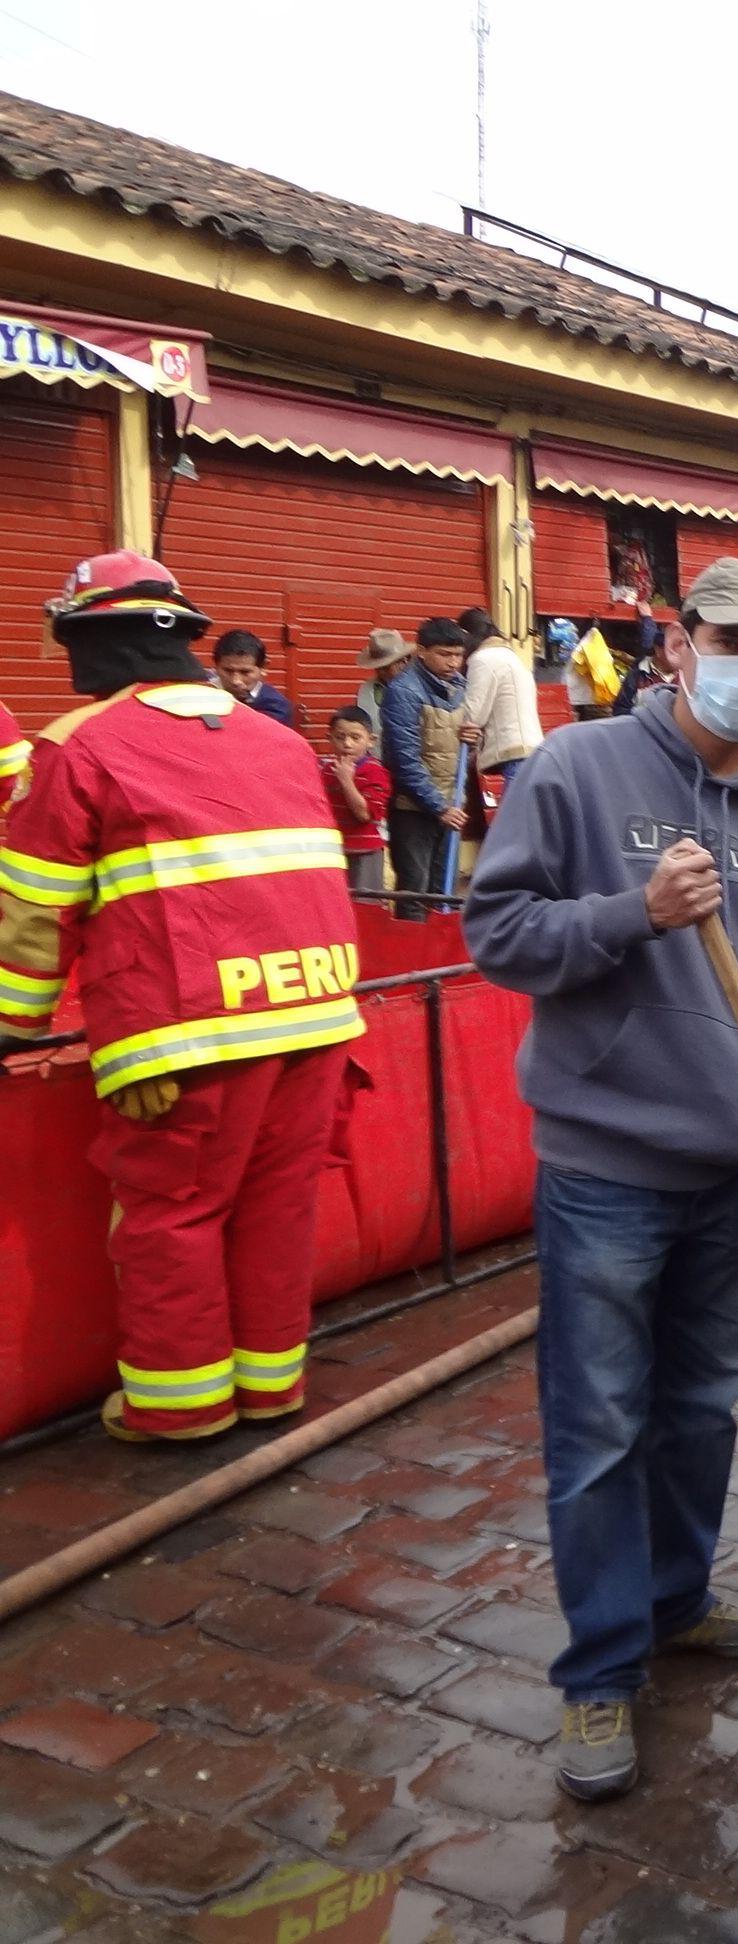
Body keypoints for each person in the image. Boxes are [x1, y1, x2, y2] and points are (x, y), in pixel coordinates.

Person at [463, 558, 738, 1804]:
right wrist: (632, 911)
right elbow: (498, 935)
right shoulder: (578, 771)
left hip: (737, 1173)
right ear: (681, 643)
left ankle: (677, 1600)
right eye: (734, 639)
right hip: (605, 1171)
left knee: (701, 1411)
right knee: (597, 1430)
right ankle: (600, 1670)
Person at [0, 551, 361, 1442]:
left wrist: (15, 1026)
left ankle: (179, 1406)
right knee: (278, 1210)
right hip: (317, 1016)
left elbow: (33, 910)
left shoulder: (80, 744)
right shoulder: (276, 739)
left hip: (184, 1034)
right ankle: (272, 1386)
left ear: (96, 644)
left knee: (172, 1217)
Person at [381, 619, 476, 916]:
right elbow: (404, 759)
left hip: (450, 805)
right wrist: (439, 807)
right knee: (415, 890)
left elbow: (453, 746)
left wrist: (472, 740)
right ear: (421, 651)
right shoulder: (404, 692)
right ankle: (411, 958)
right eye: (444, 654)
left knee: (443, 891)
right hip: (414, 809)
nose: (453, 662)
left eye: (458, 655)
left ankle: (439, 957)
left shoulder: (459, 687)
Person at [460, 607, 545, 793]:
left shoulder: (482, 659)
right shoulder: (512, 657)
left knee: (516, 818)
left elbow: (473, 715)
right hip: (530, 750)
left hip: (513, 752)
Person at [323, 706, 392, 891]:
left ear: (371, 741)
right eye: (340, 737)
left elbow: (364, 814)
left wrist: (346, 780)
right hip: (334, 850)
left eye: (355, 738)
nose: (347, 744)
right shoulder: (327, 771)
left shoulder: (374, 772)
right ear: (329, 738)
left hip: (365, 851)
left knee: (365, 906)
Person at [211, 628, 298, 729]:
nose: (235, 681)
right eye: (228, 671)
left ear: (264, 667)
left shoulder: (277, 707)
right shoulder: (200, 692)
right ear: (216, 666)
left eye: (245, 672)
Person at [354, 628, 414, 735]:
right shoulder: (367, 690)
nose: (381, 672)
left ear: (404, 662)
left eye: (386, 667)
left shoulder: (422, 686)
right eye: (378, 668)